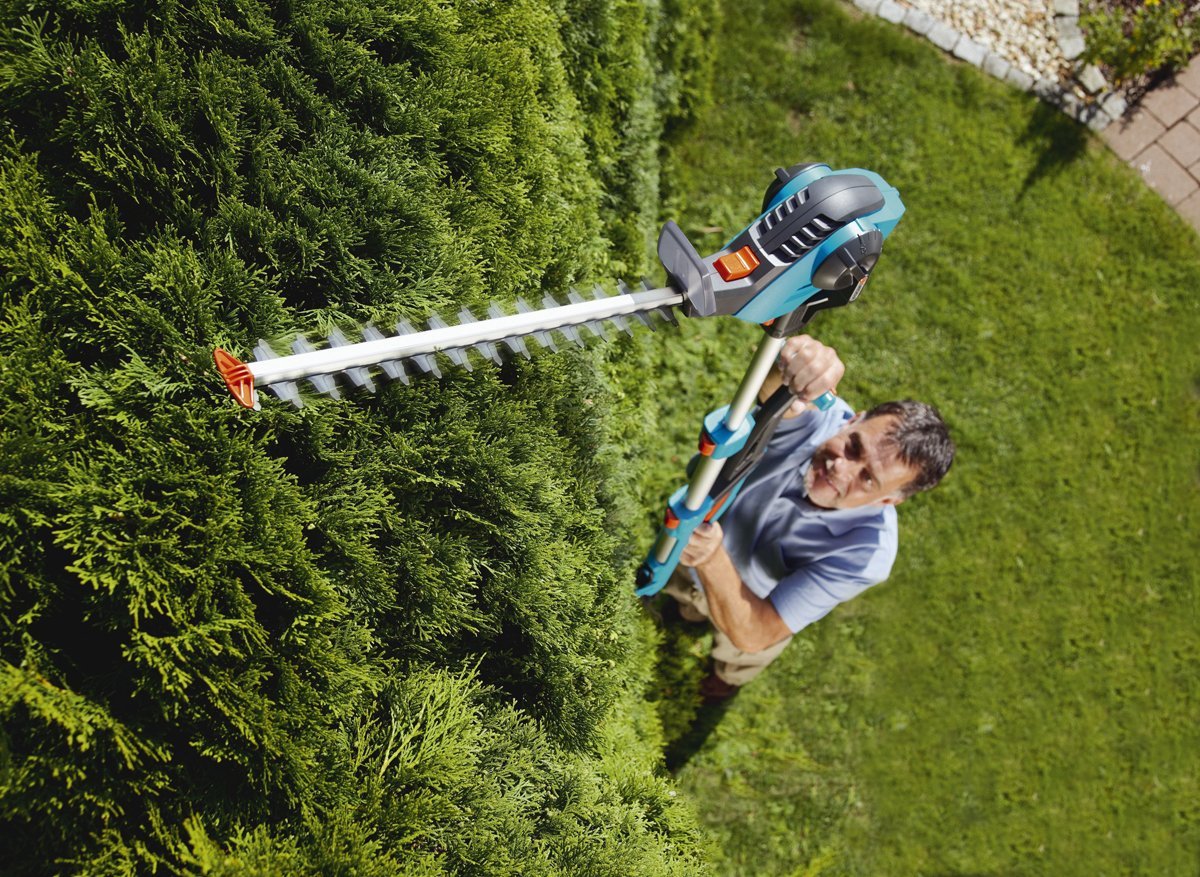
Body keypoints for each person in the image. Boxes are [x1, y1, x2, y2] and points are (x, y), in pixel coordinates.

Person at [665, 334, 955, 702]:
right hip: (695, 556)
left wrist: (710, 558)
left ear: (889, 499)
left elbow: (757, 632)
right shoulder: (821, 419)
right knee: (684, 598)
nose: (840, 470)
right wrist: (794, 362)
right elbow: (775, 391)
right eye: (853, 446)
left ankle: (725, 678)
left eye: (867, 478)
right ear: (855, 418)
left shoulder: (867, 556)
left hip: (753, 601)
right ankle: (687, 611)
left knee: (740, 654)